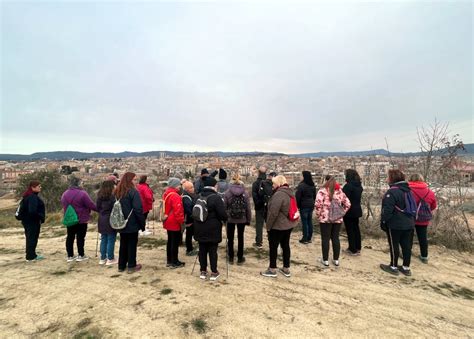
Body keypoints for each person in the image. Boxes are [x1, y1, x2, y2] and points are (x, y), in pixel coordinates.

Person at [260, 175, 298, 278]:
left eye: (274, 183)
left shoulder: (279, 194)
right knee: (285, 246)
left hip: (278, 226)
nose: (272, 185)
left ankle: (272, 269)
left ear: (278, 183)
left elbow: (273, 213)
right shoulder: (289, 192)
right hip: (288, 225)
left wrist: (268, 226)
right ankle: (286, 268)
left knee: (273, 247)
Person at [379, 169, 415, 276]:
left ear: (392, 178)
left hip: (395, 224)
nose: (387, 178)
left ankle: (393, 266)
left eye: (388, 176)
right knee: (406, 246)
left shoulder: (392, 192)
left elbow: (387, 210)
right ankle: (406, 267)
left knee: (394, 245)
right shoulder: (408, 190)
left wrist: (384, 221)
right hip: (409, 222)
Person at [193, 176, 228, 281]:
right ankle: (214, 272)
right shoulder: (216, 198)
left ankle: (203, 271)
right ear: (214, 186)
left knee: (202, 250)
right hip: (213, 228)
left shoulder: (198, 196)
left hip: (199, 227)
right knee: (213, 251)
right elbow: (222, 214)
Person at [315, 175, 351, 267]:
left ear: (326, 181)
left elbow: (318, 205)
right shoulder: (339, 191)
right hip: (337, 219)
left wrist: (319, 215)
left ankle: (325, 260)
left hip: (325, 219)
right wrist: (341, 213)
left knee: (325, 239)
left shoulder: (322, 191)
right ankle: (336, 260)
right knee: (335, 238)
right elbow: (348, 204)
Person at [61, 177, 97, 262]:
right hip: (82, 218)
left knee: (70, 237)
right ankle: (81, 254)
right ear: (78, 183)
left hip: (70, 218)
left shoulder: (65, 194)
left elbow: (63, 204)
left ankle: (70, 255)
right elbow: (90, 204)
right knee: (80, 237)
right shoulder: (82, 193)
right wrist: (100, 209)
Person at [115, 172, 145, 273]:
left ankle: (121, 265)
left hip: (120, 221)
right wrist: (142, 224)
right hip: (131, 222)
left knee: (123, 243)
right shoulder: (133, 192)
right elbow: (138, 209)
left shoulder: (117, 191)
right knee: (132, 244)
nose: (136, 181)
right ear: (130, 180)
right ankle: (131, 265)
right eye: (134, 179)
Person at [408, 173, 437, 264]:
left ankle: (407, 253)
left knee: (409, 237)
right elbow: (433, 206)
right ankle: (424, 256)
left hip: (409, 217)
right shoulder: (430, 192)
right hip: (423, 218)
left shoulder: (407, 191)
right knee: (423, 238)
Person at [224, 173, 251, 264]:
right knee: (240, 237)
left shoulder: (227, 192)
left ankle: (231, 257)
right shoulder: (245, 193)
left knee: (230, 238)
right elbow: (248, 208)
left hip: (230, 218)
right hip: (242, 218)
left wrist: (225, 218)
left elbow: (225, 207)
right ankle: (240, 258)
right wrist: (248, 219)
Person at [19, 180, 45, 262]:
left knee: (30, 237)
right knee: (32, 238)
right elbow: (32, 211)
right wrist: (40, 216)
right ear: (33, 188)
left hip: (27, 220)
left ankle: (31, 254)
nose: (40, 188)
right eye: (38, 186)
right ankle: (30, 256)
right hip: (32, 221)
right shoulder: (32, 197)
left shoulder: (27, 195)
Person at [162, 177, 185, 268]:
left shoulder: (166, 193)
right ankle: (174, 261)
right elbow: (178, 211)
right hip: (174, 221)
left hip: (167, 219)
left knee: (170, 241)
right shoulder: (175, 196)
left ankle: (169, 260)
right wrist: (181, 221)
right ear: (175, 185)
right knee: (175, 242)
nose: (180, 186)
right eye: (179, 185)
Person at [342, 169, 364, 255]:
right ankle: (358, 247)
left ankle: (352, 249)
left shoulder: (348, 186)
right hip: (357, 209)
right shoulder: (359, 185)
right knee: (356, 229)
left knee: (350, 230)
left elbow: (343, 198)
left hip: (349, 211)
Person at [96, 180, 117, 266]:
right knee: (111, 239)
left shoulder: (99, 196)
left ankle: (102, 258)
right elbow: (115, 209)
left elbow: (97, 207)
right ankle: (110, 258)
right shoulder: (112, 197)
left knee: (104, 238)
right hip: (110, 219)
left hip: (101, 219)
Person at [295, 171, 316, 244]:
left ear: (304, 177)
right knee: (309, 221)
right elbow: (314, 196)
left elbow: (298, 197)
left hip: (304, 205)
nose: (300, 177)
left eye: (301, 175)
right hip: (311, 205)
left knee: (305, 222)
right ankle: (309, 237)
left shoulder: (301, 185)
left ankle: (305, 238)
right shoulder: (312, 185)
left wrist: (297, 206)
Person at [252, 166, 267, 248]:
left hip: (259, 207)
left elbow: (254, 196)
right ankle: (272, 240)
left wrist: (258, 204)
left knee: (259, 225)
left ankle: (259, 242)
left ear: (258, 173)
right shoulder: (269, 182)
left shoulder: (256, 183)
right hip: (268, 207)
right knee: (270, 224)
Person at [182, 180, 198, 256]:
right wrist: (193, 216)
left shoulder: (190, 195)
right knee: (189, 234)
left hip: (191, 218)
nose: (193, 188)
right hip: (189, 218)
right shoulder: (186, 197)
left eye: (193, 187)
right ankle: (189, 250)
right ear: (187, 189)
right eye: (191, 187)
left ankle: (190, 248)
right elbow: (188, 209)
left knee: (190, 234)